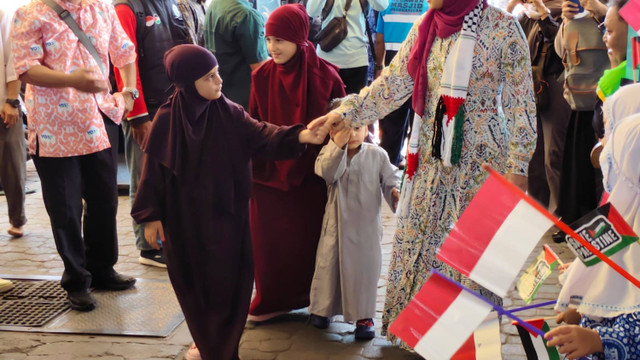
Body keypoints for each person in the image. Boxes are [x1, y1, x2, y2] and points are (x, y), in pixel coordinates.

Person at [309, 0, 536, 346]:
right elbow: (393, 84)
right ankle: (421, 335)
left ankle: (465, 342)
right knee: (423, 244)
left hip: (482, 167)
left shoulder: (503, 28)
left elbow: (522, 103)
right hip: (431, 162)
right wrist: (348, 114)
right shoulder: (426, 25)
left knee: (471, 257)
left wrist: (518, 167)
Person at [131, 44, 329, 360]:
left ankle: (221, 347)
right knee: (196, 288)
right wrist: (151, 216)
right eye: (210, 77)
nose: (219, 81)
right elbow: (153, 173)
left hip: (228, 217)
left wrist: (303, 136)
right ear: (187, 82)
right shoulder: (168, 121)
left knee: (231, 284)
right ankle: (211, 344)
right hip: (185, 224)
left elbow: (262, 134)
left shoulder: (228, 111)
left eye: (218, 73)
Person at [11, 0, 138, 311]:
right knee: (65, 209)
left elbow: (125, 51)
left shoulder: (101, 8)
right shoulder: (29, 13)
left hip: (100, 118)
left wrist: (130, 91)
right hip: (55, 126)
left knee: (104, 201)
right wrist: (72, 81)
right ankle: (77, 280)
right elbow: (26, 68)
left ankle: (103, 270)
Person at [247, 4, 346, 322]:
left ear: (299, 38)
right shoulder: (261, 75)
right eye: (269, 39)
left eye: (280, 39)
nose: (273, 47)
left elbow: (343, 122)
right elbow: (254, 124)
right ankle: (272, 300)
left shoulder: (326, 75)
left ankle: (316, 300)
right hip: (269, 173)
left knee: (311, 242)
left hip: (312, 176)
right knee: (268, 241)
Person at [545, 83, 640, 360]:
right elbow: (615, 279)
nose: (602, 146)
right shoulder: (628, 214)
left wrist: (600, 340)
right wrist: (586, 305)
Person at [114, 0, 191, 268]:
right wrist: (137, 115)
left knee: (170, 175)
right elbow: (123, 63)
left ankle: (169, 240)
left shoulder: (168, 4)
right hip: (147, 111)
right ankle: (148, 248)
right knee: (145, 176)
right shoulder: (126, 7)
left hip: (174, 105)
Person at [309, 124, 400, 340]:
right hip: (336, 224)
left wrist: (395, 191)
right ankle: (323, 309)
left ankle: (364, 317)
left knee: (364, 272)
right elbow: (327, 173)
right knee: (329, 267)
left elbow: (390, 178)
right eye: (343, 129)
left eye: (357, 128)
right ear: (331, 132)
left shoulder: (377, 154)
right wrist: (336, 148)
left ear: (366, 128)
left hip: (365, 226)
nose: (351, 134)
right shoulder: (329, 153)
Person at [509, 0, 571, 216]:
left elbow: (562, 44)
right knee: (533, 153)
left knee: (553, 154)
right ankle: (537, 209)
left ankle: (558, 212)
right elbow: (508, 38)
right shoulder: (527, 15)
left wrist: (545, 16)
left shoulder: (565, 9)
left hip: (555, 84)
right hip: (531, 85)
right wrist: (511, 6)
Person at [554, 0, 609, 225]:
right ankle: (575, 220)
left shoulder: (616, 9)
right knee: (577, 165)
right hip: (581, 101)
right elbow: (561, 53)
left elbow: (629, 41)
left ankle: (605, 223)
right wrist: (566, 21)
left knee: (607, 167)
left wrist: (605, 13)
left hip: (613, 97)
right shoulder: (572, 16)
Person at [374, 0, 428, 166]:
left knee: (392, 122)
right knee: (418, 122)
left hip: (393, 67)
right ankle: (413, 168)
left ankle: (389, 166)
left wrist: (379, 66)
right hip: (419, 71)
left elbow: (379, 40)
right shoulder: (427, 6)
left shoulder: (386, 4)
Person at [306, 0, 389, 95]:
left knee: (353, 108)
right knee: (325, 108)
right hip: (326, 62)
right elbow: (311, 12)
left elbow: (382, 6)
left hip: (356, 62)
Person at [204, 0, 269, 109]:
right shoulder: (246, 15)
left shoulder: (216, 4)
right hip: (244, 99)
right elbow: (260, 67)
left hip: (222, 93)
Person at [1, 3, 27, 238]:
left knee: (12, 164)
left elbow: (14, 61)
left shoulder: (3, 14)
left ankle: (17, 219)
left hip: (3, 104)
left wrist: (11, 100)